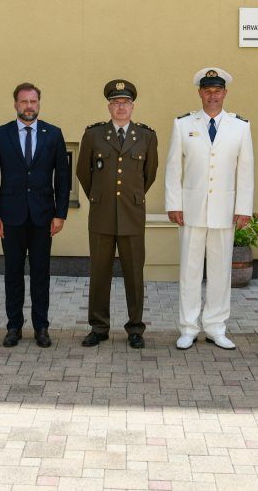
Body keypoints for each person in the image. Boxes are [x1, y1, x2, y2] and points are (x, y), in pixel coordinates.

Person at [164, 68, 254, 351]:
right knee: (189, 272)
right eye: (207, 90)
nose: (212, 95)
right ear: (200, 93)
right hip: (191, 210)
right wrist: (173, 204)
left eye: (217, 91)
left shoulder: (240, 126)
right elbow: (173, 168)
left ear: (225, 93)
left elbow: (246, 170)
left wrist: (243, 208)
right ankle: (188, 328)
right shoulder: (183, 124)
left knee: (220, 273)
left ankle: (216, 327)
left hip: (225, 211)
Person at [0, 82, 71, 348]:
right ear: (15, 104)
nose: (29, 106)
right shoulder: (1, 134)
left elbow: (63, 178)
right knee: (13, 273)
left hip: (43, 217)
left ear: (38, 104)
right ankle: (14, 327)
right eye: (24, 102)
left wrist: (60, 214)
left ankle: (41, 327)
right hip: (10, 217)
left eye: (33, 101)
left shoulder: (53, 134)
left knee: (41, 273)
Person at [77, 79, 159, 349]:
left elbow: (149, 174)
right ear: (109, 106)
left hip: (132, 214)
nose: (120, 107)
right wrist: (99, 197)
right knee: (99, 273)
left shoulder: (146, 136)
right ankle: (99, 327)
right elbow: (83, 173)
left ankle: (135, 328)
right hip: (101, 213)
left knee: (134, 275)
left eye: (125, 102)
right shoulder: (94, 135)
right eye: (115, 102)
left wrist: (131, 197)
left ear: (132, 106)